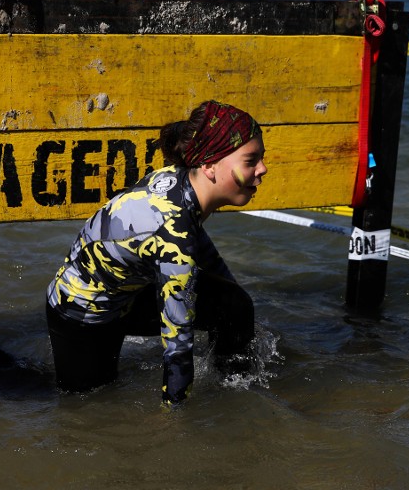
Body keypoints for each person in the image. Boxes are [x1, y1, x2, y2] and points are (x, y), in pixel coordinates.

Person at [44, 100, 267, 406]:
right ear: (209, 166)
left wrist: (240, 316)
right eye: (251, 160)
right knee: (86, 404)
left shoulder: (183, 182)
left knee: (235, 305)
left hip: (130, 293)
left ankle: (236, 394)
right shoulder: (174, 235)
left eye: (261, 158)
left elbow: (206, 256)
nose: (262, 169)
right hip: (82, 311)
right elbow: (177, 350)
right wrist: (174, 423)